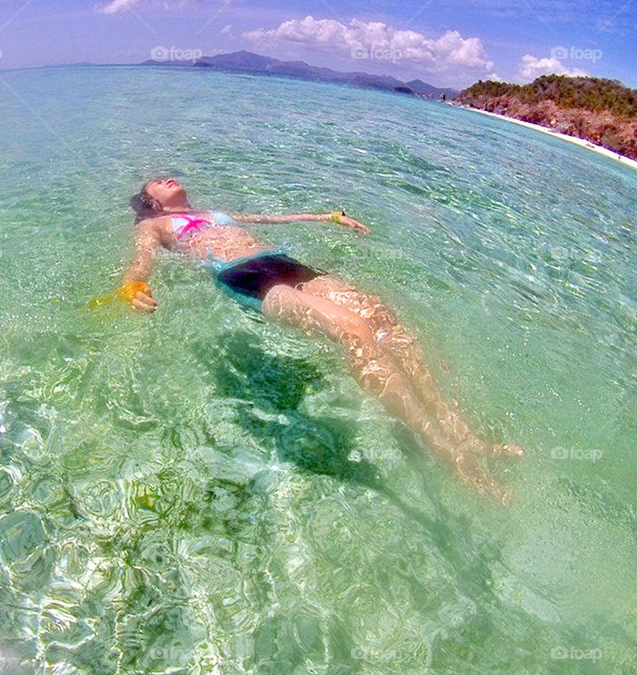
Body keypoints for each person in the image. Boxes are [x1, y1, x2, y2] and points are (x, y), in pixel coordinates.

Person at [114, 177, 522, 503]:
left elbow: (272, 220)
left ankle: (462, 432)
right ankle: (445, 453)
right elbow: (143, 256)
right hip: (243, 274)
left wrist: (329, 217)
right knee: (353, 330)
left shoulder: (213, 212)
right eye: (157, 182)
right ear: (152, 202)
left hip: (282, 261)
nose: (166, 177)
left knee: (383, 319)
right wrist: (133, 285)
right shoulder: (153, 224)